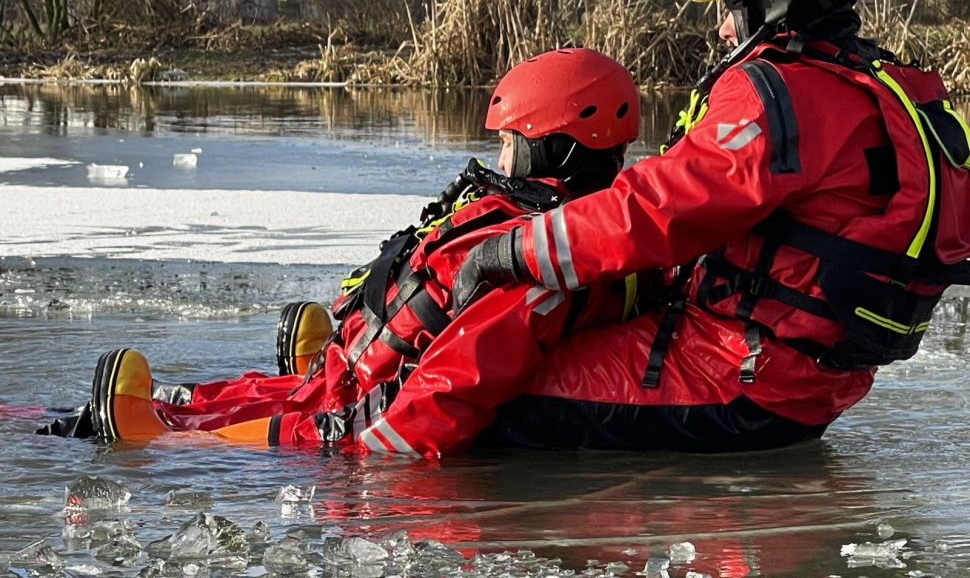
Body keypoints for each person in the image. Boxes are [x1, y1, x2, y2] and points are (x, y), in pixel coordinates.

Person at [450, 0, 970, 453]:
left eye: (731, 3)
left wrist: (512, 251)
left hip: (735, 372)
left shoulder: (780, 96)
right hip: (810, 379)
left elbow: (656, 209)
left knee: (491, 395)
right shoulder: (888, 87)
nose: (724, 27)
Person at [40, 48, 650, 455]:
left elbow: (439, 398)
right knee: (284, 390)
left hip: (369, 407)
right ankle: (160, 409)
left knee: (282, 412)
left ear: (559, 149)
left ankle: (166, 435)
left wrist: (325, 437)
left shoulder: (539, 260)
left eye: (512, 144)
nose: (500, 162)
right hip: (353, 375)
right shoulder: (546, 226)